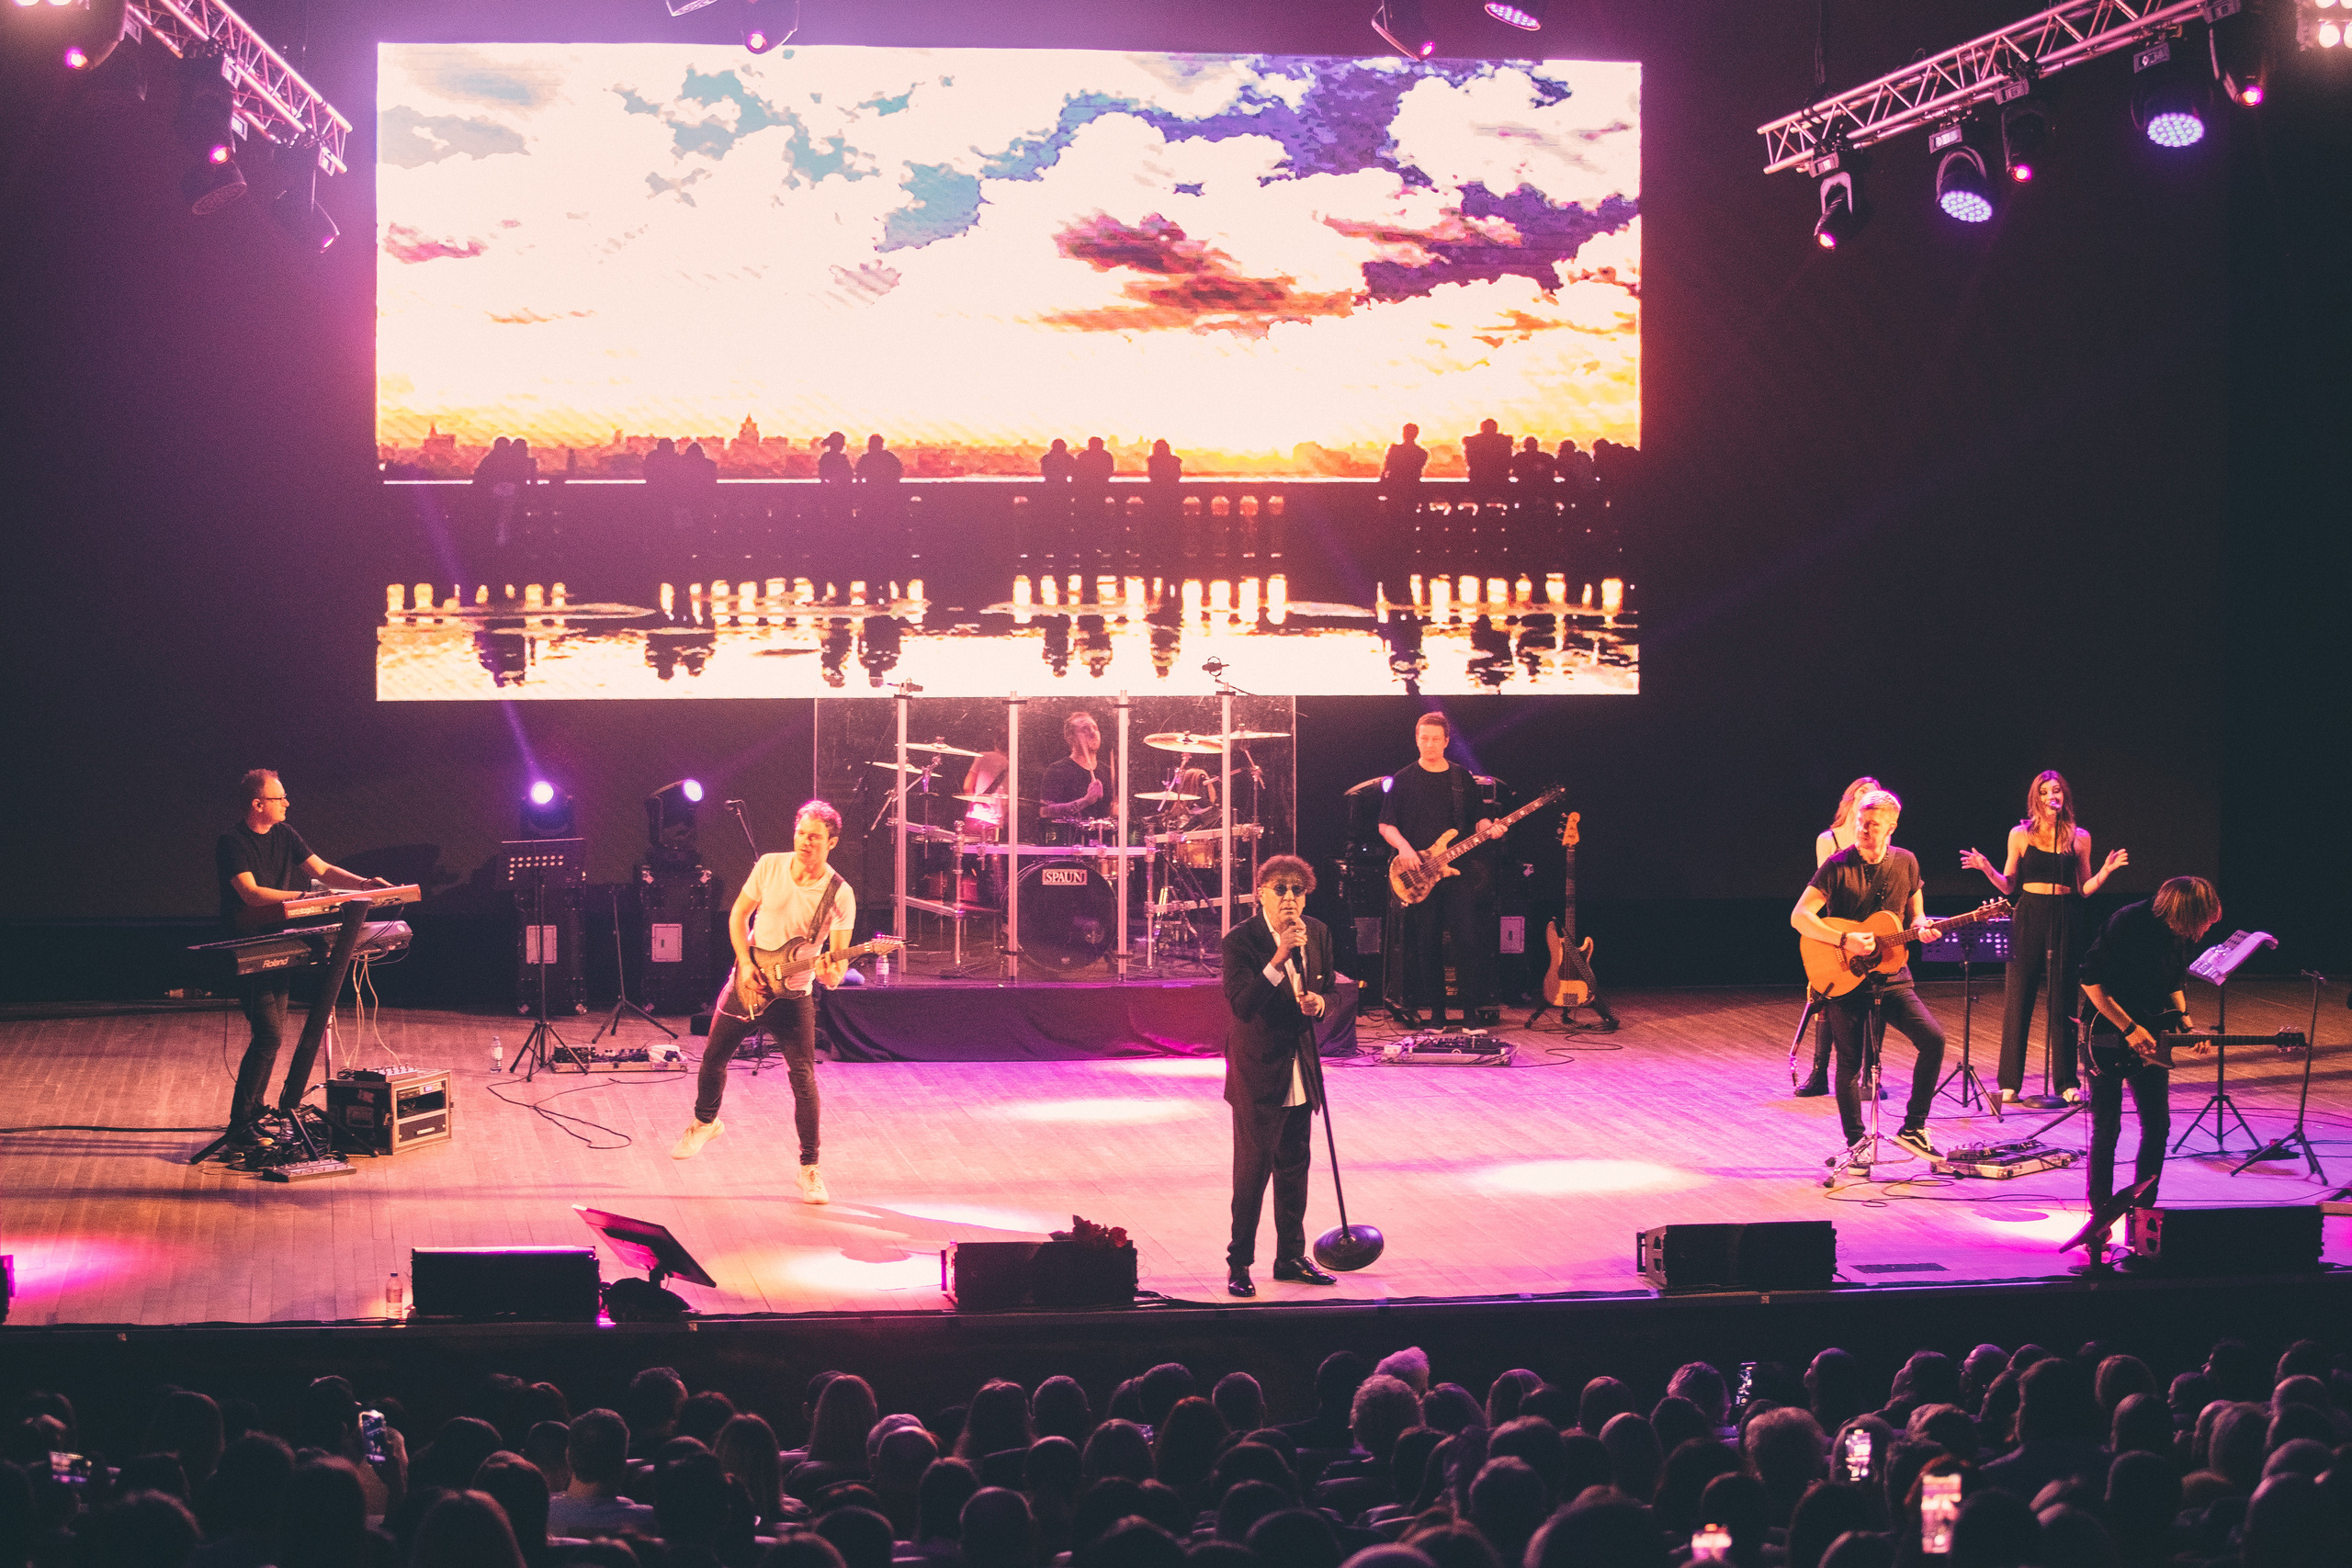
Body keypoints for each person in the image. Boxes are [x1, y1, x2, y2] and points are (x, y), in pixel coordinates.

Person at [672, 801, 853, 1204]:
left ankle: (810, 1169)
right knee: (713, 1058)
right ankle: (705, 1122)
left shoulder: (840, 894)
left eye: (815, 837)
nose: (806, 842)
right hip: (748, 982)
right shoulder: (770, 866)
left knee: (803, 1079)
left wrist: (828, 971)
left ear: (832, 843)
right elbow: (738, 917)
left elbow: (835, 971)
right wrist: (745, 963)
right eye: (802, 833)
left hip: (793, 997)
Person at [215, 770, 392, 1145]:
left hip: (279, 943)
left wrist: (362, 884)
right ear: (258, 804)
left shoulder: (285, 834)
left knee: (271, 1037)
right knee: (269, 1035)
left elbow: (323, 870)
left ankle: (252, 1116)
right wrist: (302, 899)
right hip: (248, 947)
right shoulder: (232, 841)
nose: (287, 804)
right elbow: (249, 893)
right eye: (280, 799)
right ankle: (239, 1126)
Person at [1789, 789, 1948, 1169]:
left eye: (1873, 824)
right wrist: (1843, 939)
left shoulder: (1906, 862)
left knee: (1934, 1040)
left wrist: (1922, 927)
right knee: (1849, 1063)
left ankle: (1914, 1127)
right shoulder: (1837, 865)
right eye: (1860, 822)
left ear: (1891, 826)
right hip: (1846, 975)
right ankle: (1857, 1141)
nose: (1863, 829)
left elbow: (1916, 915)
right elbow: (1800, 916)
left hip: (1891, 975)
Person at [1961, 771, 2128, 1104]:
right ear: (2035, 798)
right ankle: (2010, 1081)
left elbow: (2083, 888)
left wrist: (2105, 872)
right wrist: (1985, 868)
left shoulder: (2079, 837)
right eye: (2045, 791)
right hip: (2029, 914)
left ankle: (2066, 1081)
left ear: (2064, 797)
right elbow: (2009, 885)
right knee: (2018, 997)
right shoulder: (2020, 834)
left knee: (2062, 1000)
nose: (2052, 796)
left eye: (2057, 791)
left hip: (2065, 914)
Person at [2075, 876, 2221, 1253]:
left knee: (2157, 1125)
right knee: (2107, 1128)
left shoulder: (2179, 934)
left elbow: (2174, 983)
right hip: (2105, 1032)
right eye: (2200, 923)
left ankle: (2143, 1214)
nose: (2201, 931)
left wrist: (2186, 1025)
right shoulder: (2129, 922)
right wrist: (2129, 1028)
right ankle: (2100, 1219)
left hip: (2154, 1032)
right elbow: (2091, 981)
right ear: (2182, 913)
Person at [1220, 855, 1338, 1298]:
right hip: (1258, 1070)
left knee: (1295, 1167)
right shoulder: (1241, 942)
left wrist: (1321, 1005)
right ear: (1262, 893)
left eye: (1298, 891)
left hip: (1301, 1068)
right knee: (1252, 1172)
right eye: (1281, 890)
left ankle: (1290, 1256)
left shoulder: (1320, 933)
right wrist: (1281, 955)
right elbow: (1244, 1005)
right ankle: (1239, 1263)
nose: (1290, 899)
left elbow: (1334, 992)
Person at [1377, 712, 1495, 1026]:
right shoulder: (1403, 779)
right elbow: (1386, 825)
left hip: (1458, 872)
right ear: (1417, 739)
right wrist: (1404, 848)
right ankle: (1438, 1015)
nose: (1429, 744)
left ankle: (1470, 1015)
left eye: (1435, 739)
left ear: (1446, 742)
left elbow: (1478, 818)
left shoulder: (1461, 778)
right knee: (1427, 943)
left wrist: (1490, 828)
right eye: (1423, 738)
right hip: (1419, 876)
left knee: (1466, 941)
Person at [1796, 777, 1883, 1098]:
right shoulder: (1829, 839)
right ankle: (1819, 1074)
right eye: (1862, 793)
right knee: (1825, 1001)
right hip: (1838, 930)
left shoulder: (1883, 840)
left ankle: (1871, 1077)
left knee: (1876, 1002)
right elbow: (1829, 884)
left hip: (1874, 930)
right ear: (1850, 800)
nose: (1867, 798)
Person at [1038, 711, 1114, 846]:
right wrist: (1086, 801)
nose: (1092, 732)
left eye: (1095, 728)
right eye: (1085, 729)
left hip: (1104, 847)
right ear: (1070, 738)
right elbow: (1045, 812)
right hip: (1069, 847)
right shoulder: (1058, 770)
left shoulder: (1109, 771)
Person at [1462, 418, 1513, 501]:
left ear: (1482, 428)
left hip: (1478, 479)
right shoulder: (1504, 441)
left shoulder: (1472, 441)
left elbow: (1470, 462)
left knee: (1480, 499)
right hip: (1500, 478)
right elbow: (1508, 463)